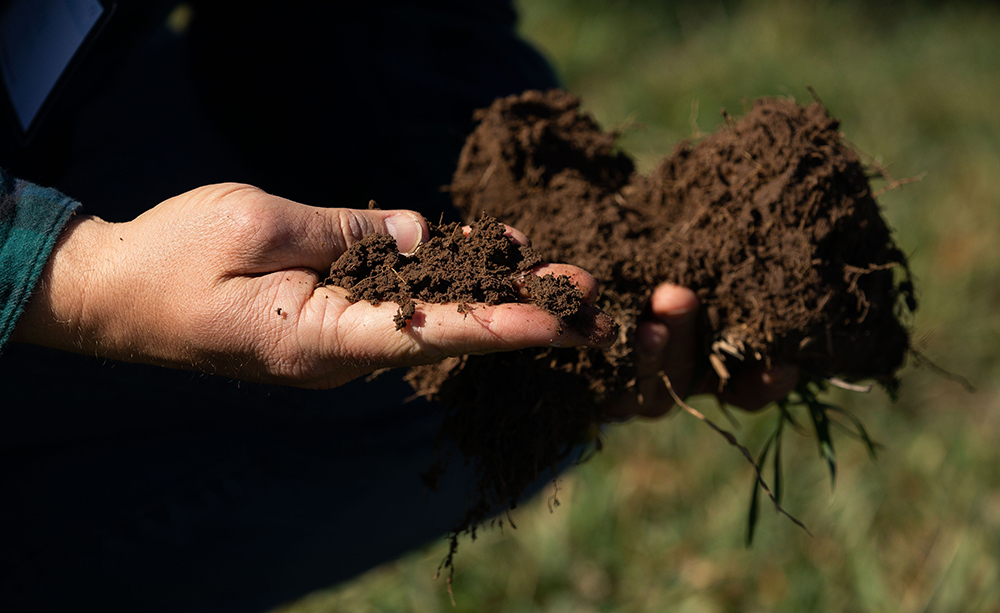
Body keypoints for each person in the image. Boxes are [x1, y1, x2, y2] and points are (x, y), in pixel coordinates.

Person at [0, 2, 795, 611]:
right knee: (426, 401)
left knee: (512, 377)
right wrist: (80, 275)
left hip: (60, 104)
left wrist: (537, 189)